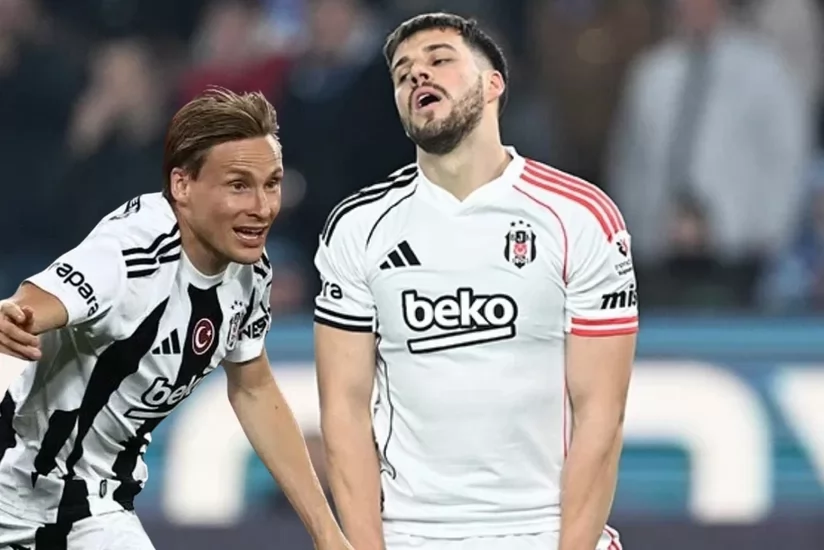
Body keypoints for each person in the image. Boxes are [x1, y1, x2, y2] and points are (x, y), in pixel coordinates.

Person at [313, 12, 636, 550]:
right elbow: (343, 411)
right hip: (412, 535)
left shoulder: (579, 217)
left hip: (543, 531)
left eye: (439, 60)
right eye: (402, 73)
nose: (417, 75)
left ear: (493, 84)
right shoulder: (358, 227)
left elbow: (602, 414)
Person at [0, 88, 352, 550]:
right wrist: (12, 316)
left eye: (272, 183)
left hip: (93, 509)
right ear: (183, 186)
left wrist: (327, 534)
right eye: (238, 185)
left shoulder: (251, 274)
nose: (263, 206)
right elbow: (32, 304)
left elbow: (253, 387)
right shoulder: (135, 252)